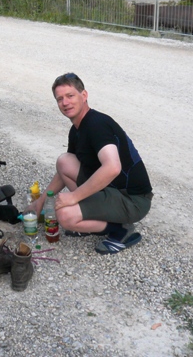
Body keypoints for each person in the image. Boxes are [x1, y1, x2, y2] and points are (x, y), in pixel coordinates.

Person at [28, 73, 153, 255]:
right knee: (64, 161)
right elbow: (63, 172)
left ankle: (121, 230)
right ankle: (91, 215)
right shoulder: (77, 129)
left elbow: (112, 167)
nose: (65, 103)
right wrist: (40, 202)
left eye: (70, 96)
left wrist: (74, 197)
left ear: (84, 95)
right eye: (59, 99)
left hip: (133, 200)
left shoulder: (97, 124)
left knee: (65, 216)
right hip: (112, 190)